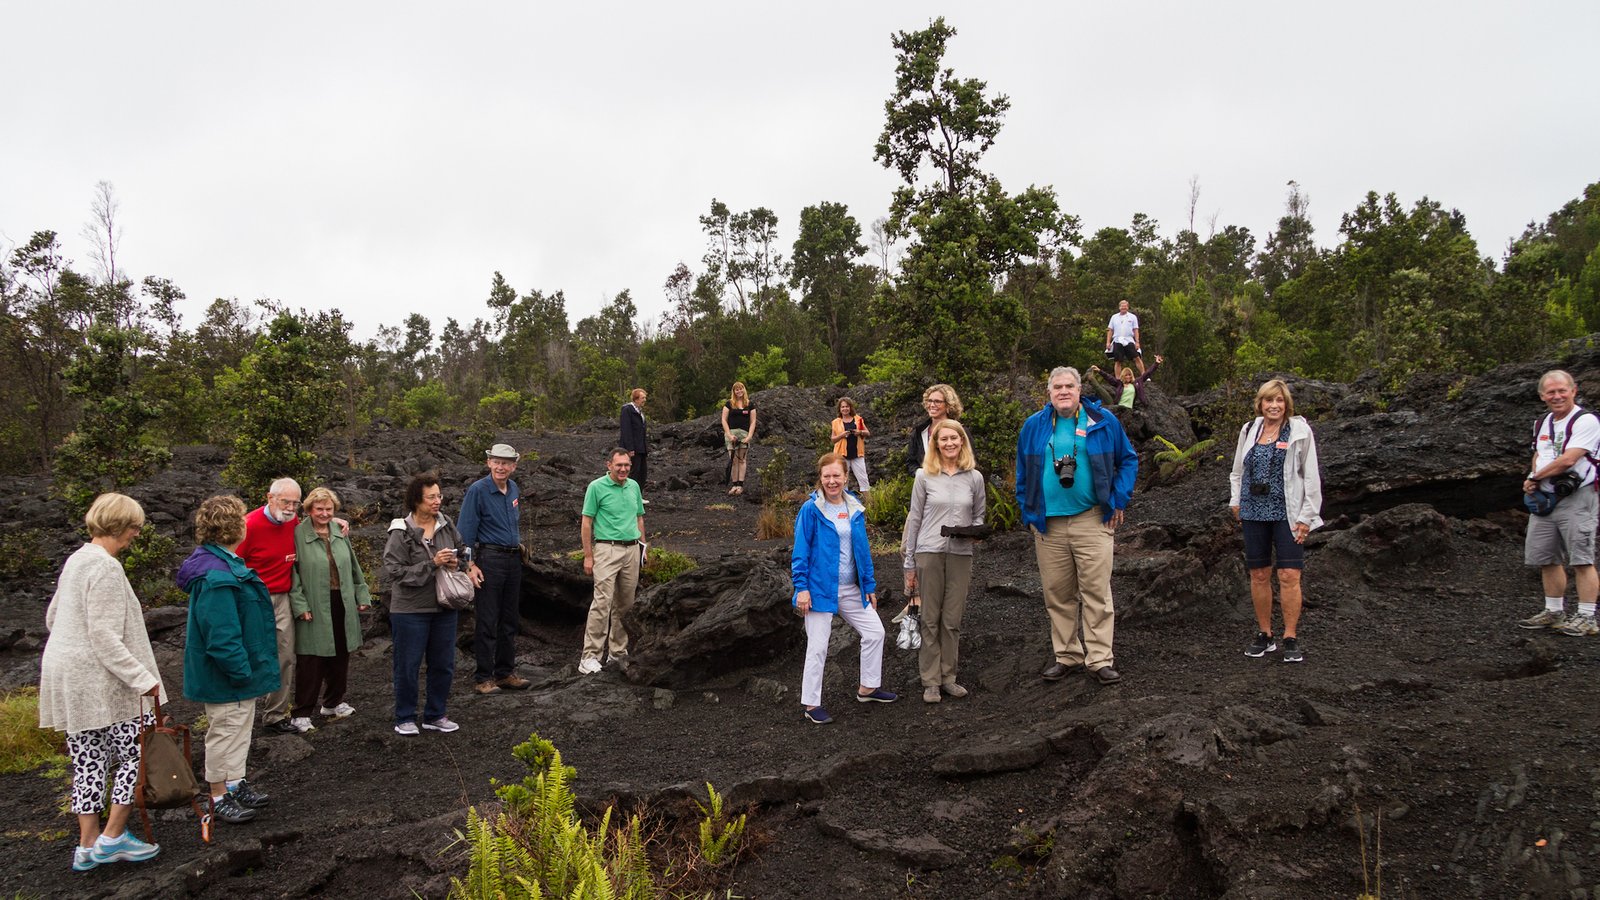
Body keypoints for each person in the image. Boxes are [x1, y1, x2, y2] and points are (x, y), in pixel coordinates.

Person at [38, 493, 165, 871]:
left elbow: (52, 618)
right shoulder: (107, 568)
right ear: (122, 526)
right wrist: (144, 679)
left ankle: (87, 845)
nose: (136, 535)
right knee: (136, 754)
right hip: (100, 680)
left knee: (89, 759)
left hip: (66, 677)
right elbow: (105, 636)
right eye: (135, 527)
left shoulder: (77, 560)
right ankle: (112, 838)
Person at [1015, 366, 1138, 685]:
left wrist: (1118, 499)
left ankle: (1099, 659)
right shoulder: (1034, 426)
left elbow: (1128, 460)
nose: (1064, 391)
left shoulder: (1103, 421)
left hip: (1092, 518)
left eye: (1070, 385)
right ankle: (1067, 655)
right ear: (1049, 393)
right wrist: (1028, 511)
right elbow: (1023, 473)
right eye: (1057, 387)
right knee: (1057, 593)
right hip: (1048, 525)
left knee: (1096, 591)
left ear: (1080, 389)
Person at [178, 494, 279, 827]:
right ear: (237, 528)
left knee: (239, 728)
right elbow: (222, 636)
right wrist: (241, 671)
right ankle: (218, 795)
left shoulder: (220, 564)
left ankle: (235, 783)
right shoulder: (216, 575)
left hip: (237, 672)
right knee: (224, 731)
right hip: (226, 675)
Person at [792, 452, 898, 724]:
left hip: (851, 588)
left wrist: (869, 585)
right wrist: (801, 588)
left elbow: (862, 550)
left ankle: (868, 688)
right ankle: (811, 704)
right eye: (826, 476)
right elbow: (800, 552)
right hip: (819, 589)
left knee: (875, 632)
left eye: (836, 475)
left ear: (845, 477)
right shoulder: (811, 510)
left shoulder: (854, 507)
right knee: (818, 647)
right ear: (820, 478)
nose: (831, 481)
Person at [1228, 380, 1324, 662]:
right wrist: (1236, 501)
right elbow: (1237, 471)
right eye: (1269, 400)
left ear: (1287, 404)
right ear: (1260, 403)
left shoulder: (1299, 431)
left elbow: (1311, 475)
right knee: (1259, 574)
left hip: (1287, 511)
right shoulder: (1249, 430)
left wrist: (1307, 515)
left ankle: (1290, 636)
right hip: (1253, 511)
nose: (1274, 406)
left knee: (1289, 574)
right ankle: (1265, 633)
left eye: (1279, 401)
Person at [901, 420, 986, 703]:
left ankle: (948, 677)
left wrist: (974, 532)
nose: (949, 443)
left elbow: (979, 516)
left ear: (962, 441)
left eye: (954, 438)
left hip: (961, 554)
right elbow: (914, 519)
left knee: (951, 620)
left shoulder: (974, 477)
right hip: (929, 552)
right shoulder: (924, 476)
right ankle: (930, 681)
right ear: (935, 444)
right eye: (943, 439)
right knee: (929, 618)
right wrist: (909, 564)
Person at [1517, 369, 1600, 638]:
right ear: (1542, 396)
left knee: (1581, 558)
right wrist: (1534, 478)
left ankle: (1587, 616)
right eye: (1550, 392)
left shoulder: (1586, 421)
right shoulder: (1542, 422)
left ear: (1574, 390)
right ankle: (1554, 610)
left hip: (1577, 496)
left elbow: (1568, 459)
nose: (1557, 396)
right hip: (1545, 498)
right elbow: (1539, 454)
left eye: (1562, 390)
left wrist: (1534, 477)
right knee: (1546, 557)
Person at [384, 472, 466, 735]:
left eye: (439, 495)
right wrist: (432, 564)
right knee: (407, 665)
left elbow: (463, 551)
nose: (437, 501)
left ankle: (435, 714)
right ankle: (405, 717)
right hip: (410, 610)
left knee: (443, 663)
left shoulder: (446, 523)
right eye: (430, 497)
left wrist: (457, 562)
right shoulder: (401, 531)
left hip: (444, 607)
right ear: (416, 500)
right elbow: (394, 571)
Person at [287, 487, 372, 728]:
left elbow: (353, 565)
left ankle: (333, 703)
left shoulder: (339, 531)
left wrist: (361, 593)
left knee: (341, 653)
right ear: (309, 510)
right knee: (311, 658)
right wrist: (300, 605)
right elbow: (292, 574)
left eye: (329, 509)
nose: (324, 513)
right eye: (319, 509)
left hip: (341, 601)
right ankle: (301, 713)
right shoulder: (297, 535)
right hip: (313, 603)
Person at [234, 477, 304, 734]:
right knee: (250, 656)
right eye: (286, 501)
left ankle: (275, 715)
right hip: (252, 598)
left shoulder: (293, 521)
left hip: (282, 597)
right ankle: (240, 715)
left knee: (285, 655)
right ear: (270, 498)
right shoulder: (248, 525)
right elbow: (232, 563)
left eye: (295, 503)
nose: (290, 508)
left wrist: (336, 523)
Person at [457, 443, 529, 695]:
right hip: (489, 560)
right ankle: (483, 677)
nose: (501, 466)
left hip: (512, 561)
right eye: (496, 461)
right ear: (488, 463)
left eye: (506, 463)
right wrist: (469, 565)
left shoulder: (514, 489)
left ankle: (505, 673)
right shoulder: (478, 490)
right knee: (487, 619)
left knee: (509, 619)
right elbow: (464, 531)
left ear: (514, 466)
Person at [579, 448, 646, 674]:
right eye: (619, 465)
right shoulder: (596, 487)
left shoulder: (633, 486)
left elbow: (639, 518)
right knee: (602, 603)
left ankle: (617, 652)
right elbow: (586, 522)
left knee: (625, 604)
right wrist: (588, 555)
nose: (623, 469)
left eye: (627, 465)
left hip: (632, 550)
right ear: (609, 465)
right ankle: (589, 656)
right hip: (606, 549)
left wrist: (643, 548)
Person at [905, 384, 963, 476]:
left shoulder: (960, 431)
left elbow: (969, 458)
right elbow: (911, 463)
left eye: (937, 401)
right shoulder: (919, 432)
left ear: (948, 405)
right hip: (928, 487)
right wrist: (921, 475)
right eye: (929, 401)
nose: (932, 405)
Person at [1088, 355, 1164, 409]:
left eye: (1129, 375)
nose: (1128, 377)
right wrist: (1099, 371)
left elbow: (1148, 373)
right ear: (1123, 376)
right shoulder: (1120, 384)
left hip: (1128, 409)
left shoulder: (1137, 382)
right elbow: (1109, 378)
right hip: (1118, 407)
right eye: (1126, 375)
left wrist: (1156, 363)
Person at [721, 382, 757, 495]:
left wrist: (749, 436)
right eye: (737, 390)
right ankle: (734, 485)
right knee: (734, 460)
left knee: (742, 459)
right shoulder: (729, 404)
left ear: (744, 390)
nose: (739, 391)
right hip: (732, 434)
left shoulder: (750, 404)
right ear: (734, 391)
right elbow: (723, 420)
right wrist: (729, 435)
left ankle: (740, 485)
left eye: (741, 389)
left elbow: (753, 421)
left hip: (744, 434)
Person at [830, 396, 872, 494]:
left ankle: (869, 504)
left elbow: (867, 433)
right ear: (839, 409)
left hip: (857, 454)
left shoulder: (858, 419)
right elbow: (833, 439)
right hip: (842, 455)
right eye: (843, 407)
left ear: (850, 407)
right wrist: (842, 435)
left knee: (863, 480)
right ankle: (843, 504)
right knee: (843, 480)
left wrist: (859, 432)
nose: (845, 409)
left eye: (847, 406)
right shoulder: (836, 422)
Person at [620, 388, 650, 497]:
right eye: (643, 398)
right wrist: (629, 448)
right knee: (633, 473)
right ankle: (628, 496)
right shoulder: (627, 410)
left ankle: (638, 497)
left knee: (642, 473)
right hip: (633, 448)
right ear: (636, 399)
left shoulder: (639, 411)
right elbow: (626, 430)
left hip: (641, 448)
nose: (644, 400)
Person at [1104, 299, 1144, 378]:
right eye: (1122, 307)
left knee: (1136, 357)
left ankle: (1144, 375)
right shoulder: (1114, 317)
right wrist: (1108, 342)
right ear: (1119, 307)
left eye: (1125, 307)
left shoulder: (1132, 317)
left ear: (1128, 307)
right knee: (1118, 360)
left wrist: (1137, 342)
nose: (1124, 308)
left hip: (1129, 340)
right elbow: (1110, 330)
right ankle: (1118, 379)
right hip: (1117, 340)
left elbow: (1136, 330)